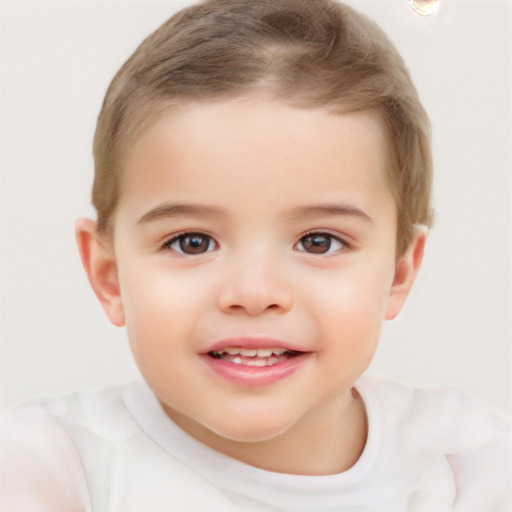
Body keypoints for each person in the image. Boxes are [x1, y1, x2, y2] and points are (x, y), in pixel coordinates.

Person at [1, 0, 510, 510]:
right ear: (109, 276)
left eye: (319, 241)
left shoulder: (470, 464)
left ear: (399, 272)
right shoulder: (48, 466)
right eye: (192, 242)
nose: (254, 292)